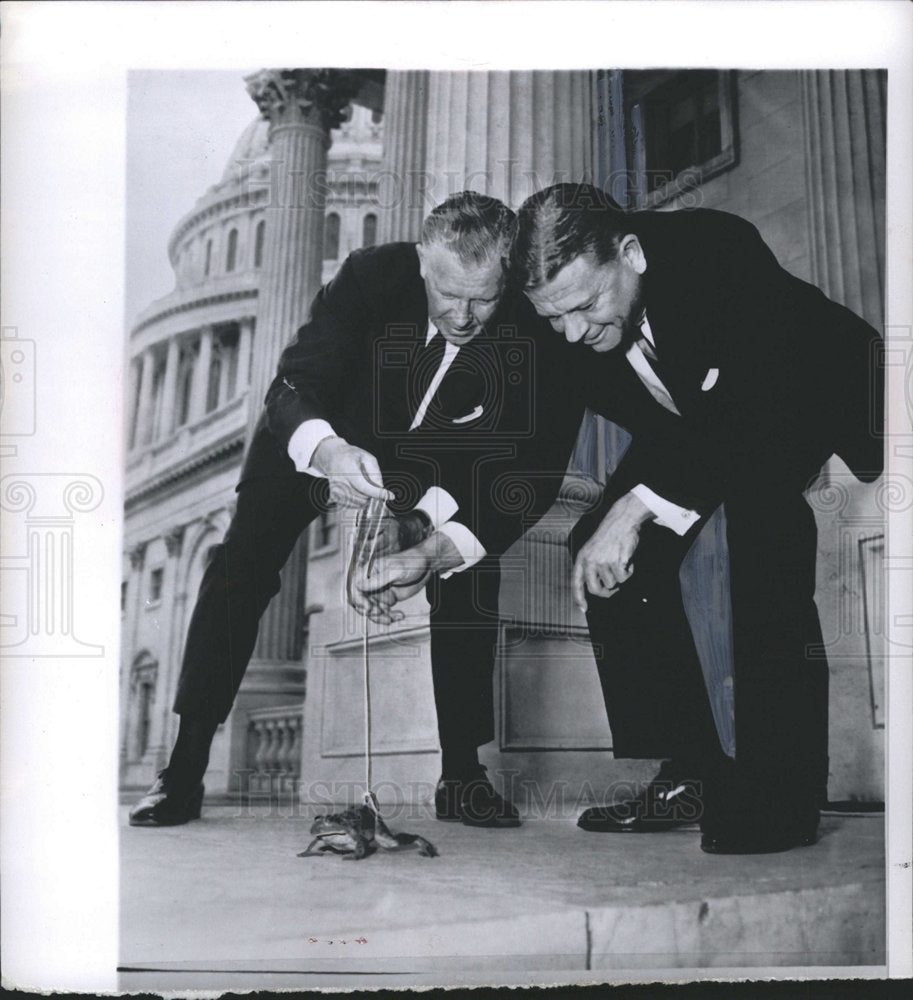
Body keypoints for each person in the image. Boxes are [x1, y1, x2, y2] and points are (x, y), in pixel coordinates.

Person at [129, 191, 586, 830]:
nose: (463, 316)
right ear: (424, 263)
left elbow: (527, 473)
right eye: (448, 294)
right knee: (242, 565)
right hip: (323, 430)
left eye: (482, 298)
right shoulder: (371, 275)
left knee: (469, 568)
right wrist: (333, 453)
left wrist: (425, 534)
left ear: (507, 275)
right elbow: (292, 385)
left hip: (428, 462)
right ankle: (182, 769)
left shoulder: (530, 331)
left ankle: (462, 774)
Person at [507, 182, 883, 854]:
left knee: (759, 521)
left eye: (587, 306)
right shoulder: (563, 318)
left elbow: (753, 407)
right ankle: (690, 773)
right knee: (593, 549)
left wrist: (638, 502)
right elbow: (534, 454)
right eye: (552, 317)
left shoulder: (716, 248)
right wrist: (442, 545)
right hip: (695, 421)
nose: (570, 333)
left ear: (630, 253)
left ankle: (782, 797)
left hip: (803, 388)